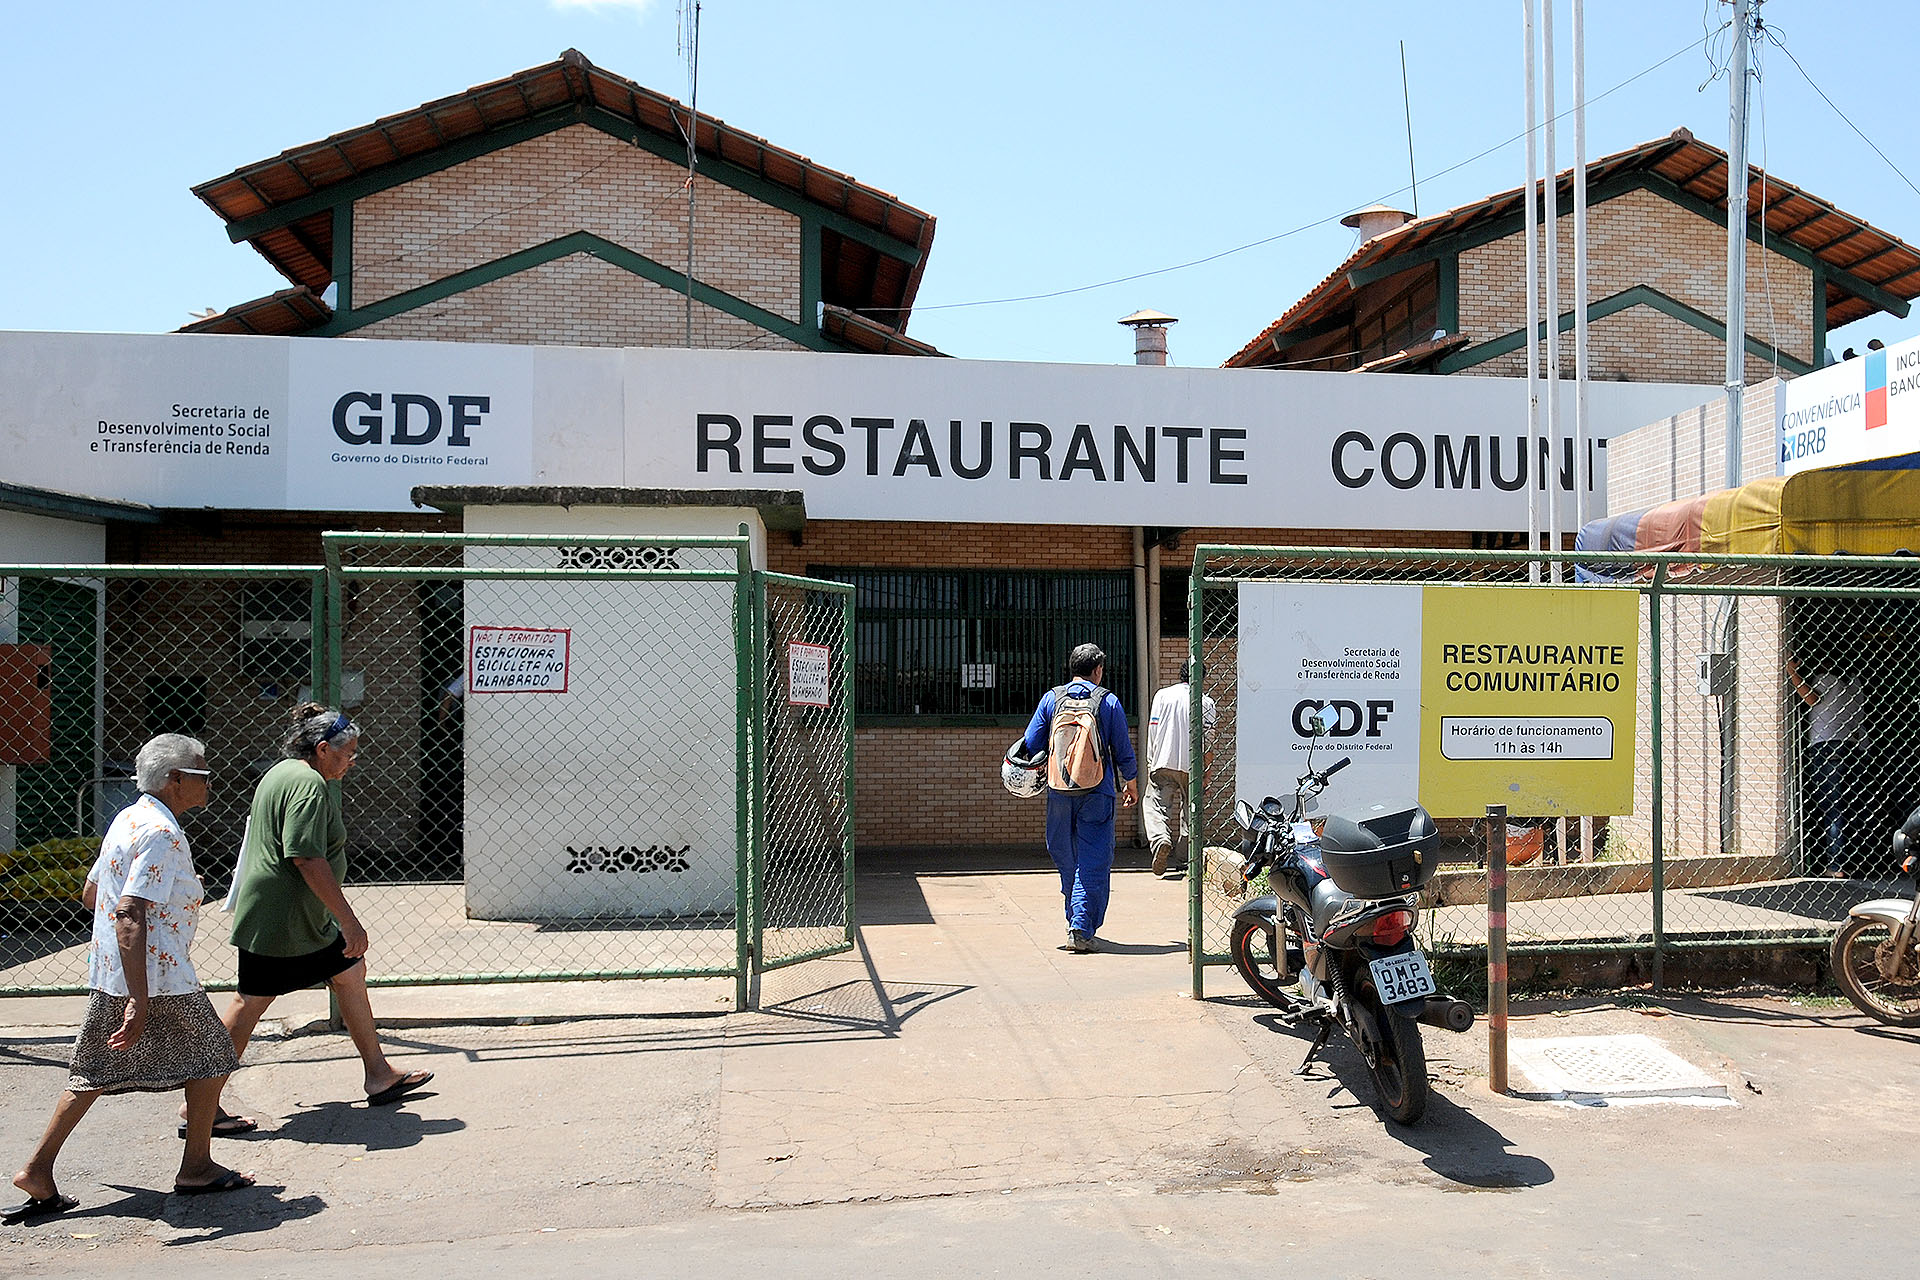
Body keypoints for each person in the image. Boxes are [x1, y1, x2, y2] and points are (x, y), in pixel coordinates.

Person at [7, 735, 255, 1225]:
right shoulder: (162, 832)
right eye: (201, 774)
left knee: (94, 1070)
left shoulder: (128, 816)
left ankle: (37, 1168)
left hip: (118, 970)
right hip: (158, 976)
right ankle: (197, 1166)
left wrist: (123, 962)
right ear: (175, 780)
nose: (209, 782)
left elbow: (92, 893)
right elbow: (127, 912)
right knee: (212, 1057)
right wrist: (139, 996)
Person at [218, 704, 433, 1112]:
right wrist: (350, 923)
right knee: (249, 1003)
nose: (351, 762)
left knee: (350, 972)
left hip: (296, 918)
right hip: (282, 920)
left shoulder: (282, 772)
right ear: (321, 749)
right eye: (347, 754)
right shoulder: (308, 786)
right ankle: (198, 1106)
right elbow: (306, 858)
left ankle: (378, 1073)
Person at [1021, 643, 1139, 953]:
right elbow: (1123, 750)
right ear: (1098, 670)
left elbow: (1032, 743)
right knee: (1093, 859)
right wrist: (1131, 784)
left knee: (1066, 856)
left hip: (1059, 793)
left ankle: (1075, 917)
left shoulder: (1052, 699)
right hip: (1097, 792)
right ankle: (1081, 927)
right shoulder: (1108, 701)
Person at [1786, 655, 1866, 878]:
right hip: (1851, 745)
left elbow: (1811, 699)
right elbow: (1860, 718)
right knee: (1848, 807)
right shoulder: (1854, 683)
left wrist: (1792, 673)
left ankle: (1836, 864)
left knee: (1831, 808)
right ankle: (1850, 861)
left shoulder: (1826, 679)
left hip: (1826, 745)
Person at [1143, 662, 1219, 878]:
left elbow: (1153, 729)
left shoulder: (1162, 696)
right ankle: (1186, 858)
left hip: (1163, 760)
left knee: (1155, 805)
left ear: (1180, 674)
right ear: (1202, 678)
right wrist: (1207, 773)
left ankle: (1160, 840)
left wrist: (1151, 761)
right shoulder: (1206, 703)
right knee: (1191, 811)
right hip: (1192, 765)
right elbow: (1209, 741)